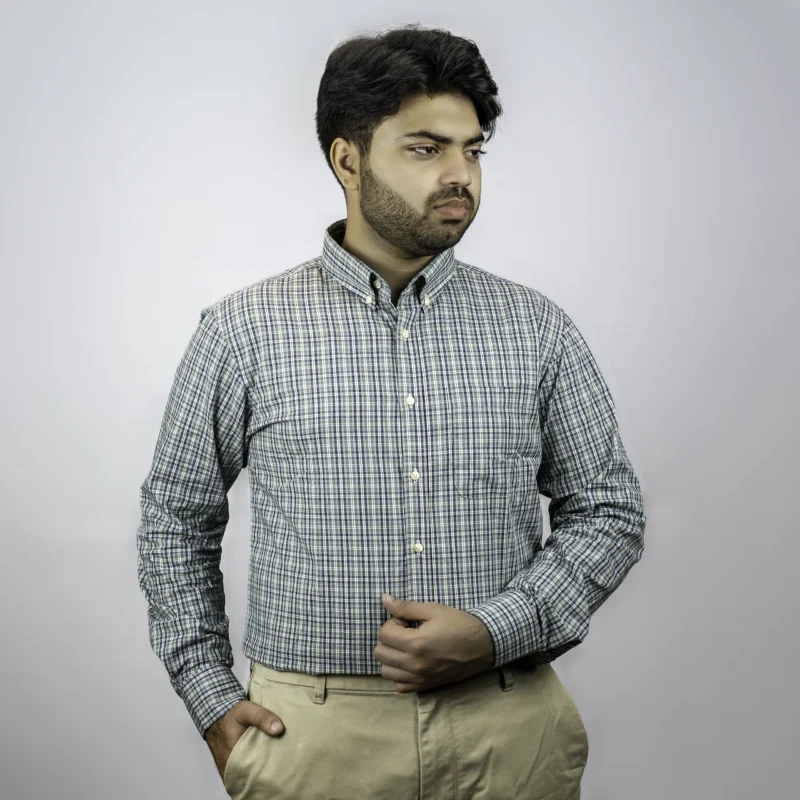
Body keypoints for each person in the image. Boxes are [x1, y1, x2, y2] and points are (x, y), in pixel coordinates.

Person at [136, 22, 646, 800]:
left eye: (472, 150)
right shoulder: (243, 332)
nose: (459, 174)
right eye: (425, 148)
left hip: (509, 726)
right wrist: (209, 696)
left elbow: (609, 510)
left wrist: (498, 630)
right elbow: (176, 517)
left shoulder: (536, 328)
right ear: (348, 160)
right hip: (314, 735)